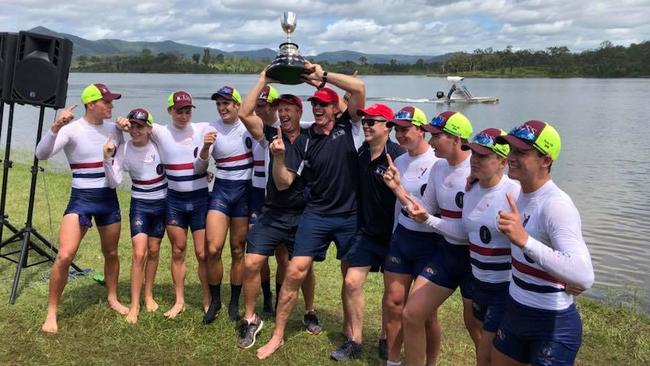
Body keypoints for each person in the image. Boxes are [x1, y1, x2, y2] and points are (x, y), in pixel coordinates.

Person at [256, 62, 365, 360]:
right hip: (315, 214)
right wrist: (278, 158)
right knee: (294, 271)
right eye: (314, 104)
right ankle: (277, 335)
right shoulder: (306, 138)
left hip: (348, 215)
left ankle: (354, 336)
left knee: (351, 278)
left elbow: (358, 89)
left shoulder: (350, 127)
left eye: (322, 105)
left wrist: (322, 78)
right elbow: (286, 181)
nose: (317, 108)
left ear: (335, 110)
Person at [406, 128, 520, 365]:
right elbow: (464, 232)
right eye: (473, 155)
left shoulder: (515, 193)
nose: (474, 161)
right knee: (412, 314)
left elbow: (534, 238)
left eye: (482, 156)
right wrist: (427, 218)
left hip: (504, 285)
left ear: (502, 161)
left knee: (488, 348)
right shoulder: (472, 189)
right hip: (471, 272)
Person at [491, 120, 594, 365]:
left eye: (521, 152)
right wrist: (471, 177)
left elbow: (584, 274)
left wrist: (525, 240)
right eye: (511, 150)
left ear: (546, 160)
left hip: (551, 324)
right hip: (515, 311)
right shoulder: (517, 193)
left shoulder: (556, 205)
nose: (512, 157)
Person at [386, 111, 481, 366]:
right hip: (446, 254)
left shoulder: (478, 169)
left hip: (474, 260)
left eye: (437, 135)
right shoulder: (439, 167)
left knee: (476, 328)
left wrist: (427, 219)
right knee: (412, 314)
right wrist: (397, 188)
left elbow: (465, 232)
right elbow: (424, 208)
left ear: (456, 139)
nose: (432, 139)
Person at [36, 83, 127, 333]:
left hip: (108, 198)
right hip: (82, 198)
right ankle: (52, 312)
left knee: (111, 253)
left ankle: (112, 298)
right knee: (65, 255)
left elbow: (118, 167)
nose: (111, 106)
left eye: (111, 101)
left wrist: (127, 129)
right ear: (91, 105)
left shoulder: (115, 129)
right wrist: (55, 127)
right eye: (106, 102)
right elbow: (41, 154)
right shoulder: (72, 129)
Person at [237, 74, 319, 349]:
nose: (283, 113)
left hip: (302, 214)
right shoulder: (270, 134)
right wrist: (264, 78)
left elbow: (285, 182)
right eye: (279, 109)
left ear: (299, 112)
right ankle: (250, 319)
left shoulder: (311, 137)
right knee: (251, 263)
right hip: (272, 213)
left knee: (302, 268)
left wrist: (318, 81)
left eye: (289, 109)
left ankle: (309, 311)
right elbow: (244, 112)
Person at [117, 91, 212, 319]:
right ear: (170, 111)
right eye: (179, 110)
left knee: (202, 253)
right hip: (174, 202)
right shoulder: (160, 131)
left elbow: (232, 122)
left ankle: (208, 300)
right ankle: (179, 300)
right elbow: (138, 125)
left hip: (199, 199)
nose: (183, 115)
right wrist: (120, 123)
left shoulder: (202, 128)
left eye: (187, 110)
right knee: (178, 251)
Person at [330, 103, 405, 361]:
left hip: (393, 236)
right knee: (351, 282)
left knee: (391, 291)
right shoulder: (362, 153)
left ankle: (385, 338)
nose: (366, 125)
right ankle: (355, 340)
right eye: (365, 121)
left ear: (388, 127)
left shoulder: (399, 156)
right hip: (366, 233)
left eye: (373, 121)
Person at [381, 106, 442, 366]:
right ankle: (393, 361)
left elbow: (428, 209)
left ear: (422, 130)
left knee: (426, 314)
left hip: (430, 242)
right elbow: (400, 208)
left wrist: (397, 188)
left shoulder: (438, 163)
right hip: (402, 238)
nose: (399, 134)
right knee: (394, 304)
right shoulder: (400, 160)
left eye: (405, 129)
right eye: (396, 129)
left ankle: (430, 362)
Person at [196, 86, 256, 322]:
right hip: (221, 190)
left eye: (227, 104)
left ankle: (233, 303)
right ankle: (215, 301)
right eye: (219, 104)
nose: (222, 108)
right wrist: (206, 147)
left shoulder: (248, 126)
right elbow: (200, 169)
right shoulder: (211, 129)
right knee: (213, 248)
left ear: (238, 105)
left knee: (238, 249)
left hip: (243, 192)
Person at [103, 108, 167, 324]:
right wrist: (107, 159)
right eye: (133, 126)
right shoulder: (125, 148)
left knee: (154, 250)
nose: (136, 131)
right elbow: (114, 181)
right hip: (140, 204)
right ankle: (134, 305)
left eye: (141, 126)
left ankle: (148, 294)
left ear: (150, 128)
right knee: (139, 253)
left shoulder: (159, 144)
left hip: (162, 203)